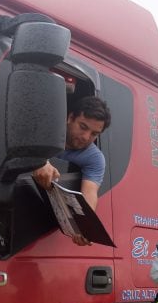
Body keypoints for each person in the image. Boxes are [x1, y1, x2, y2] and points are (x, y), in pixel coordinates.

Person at [32, 96, 110, 245]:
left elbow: (90, 193)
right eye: (83, 127)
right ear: (70, 117)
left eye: (94, 134)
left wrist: (85, 227)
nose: (86, 137)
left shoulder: (95, 158)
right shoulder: (44, 126)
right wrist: (37, 160)